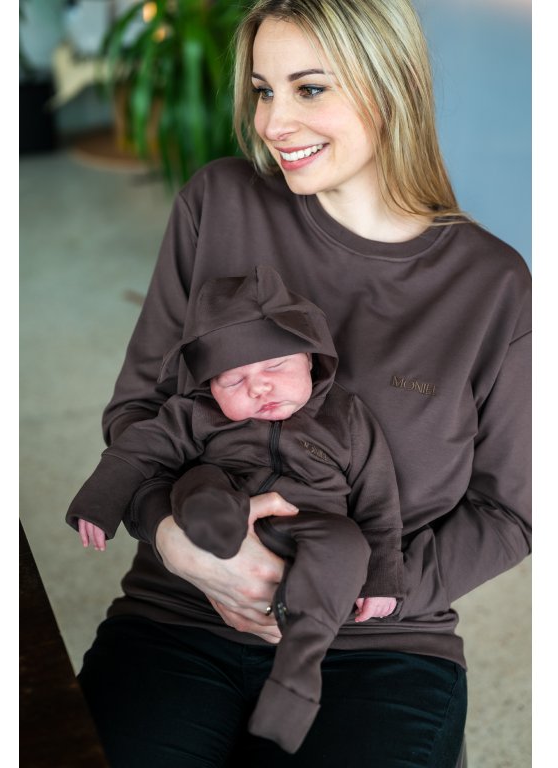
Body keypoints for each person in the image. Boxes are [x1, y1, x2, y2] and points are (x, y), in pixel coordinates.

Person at [75, 1, 531, 766]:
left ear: (391, 84)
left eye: (309, 88)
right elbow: (141, 409)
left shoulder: (492, 287)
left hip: (378, 641)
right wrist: (175, 539)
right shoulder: (218, 203)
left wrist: (355, 589)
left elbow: (509, 512)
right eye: (263, 90)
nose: (273, 123)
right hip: (181, 608)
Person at [66, 265, 404, 753]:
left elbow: (378, 501)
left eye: (275, 366)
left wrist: (383, 576)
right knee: (197, 481)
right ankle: (216, 529)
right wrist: (98, 503)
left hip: (310, 529)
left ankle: (299, 670)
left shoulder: (347, 417)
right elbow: (137, 449)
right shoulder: (195, 413)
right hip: (224, 502)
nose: (258, 387)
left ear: (312, 358)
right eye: (233, 379)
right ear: (209, 385)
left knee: (348, 544)